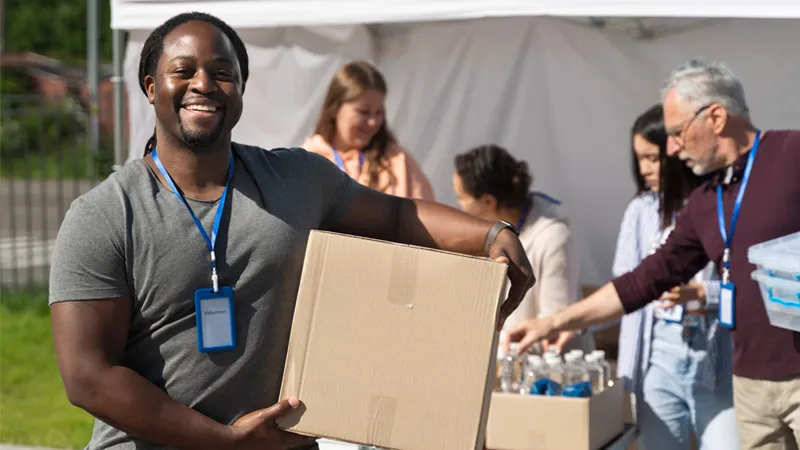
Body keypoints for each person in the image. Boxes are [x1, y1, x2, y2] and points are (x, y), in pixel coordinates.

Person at [48, 12, 534, 450]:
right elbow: (88, 376)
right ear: (152, 87)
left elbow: (397, 217)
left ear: (240, 90)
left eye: (223, 73)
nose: (204, 84)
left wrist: (493, 234)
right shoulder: (104, 215)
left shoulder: (299, 179)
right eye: (184, 71)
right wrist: (224, 441)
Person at [504, 58, 800, 449]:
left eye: (678, 132)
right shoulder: (705, 201)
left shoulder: (791, 155)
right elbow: (642, 281)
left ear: (715, 117)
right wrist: (554, 322)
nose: (672, 149)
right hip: (749, 386)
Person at [612, 104, 736, 449]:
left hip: (715, 358)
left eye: (653, 158)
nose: (645, 168)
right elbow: (623, 285)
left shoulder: (717, 202)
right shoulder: (640, 211)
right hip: (658, 358)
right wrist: (569, 325)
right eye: (639, 159)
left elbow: (743, 278)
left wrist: (703, 294)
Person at [452, 144, 593, 354]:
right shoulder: (487, 231)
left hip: (548, 377)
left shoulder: (554, 237)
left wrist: (491, 352)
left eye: (462, 197)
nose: (458, 204)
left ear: (488, 201)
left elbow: (553, 328)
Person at [302, 60, 435, 201]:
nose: (373, 122)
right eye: (364, 112)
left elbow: (428, 216)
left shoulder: (398, 161)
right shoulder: (308, 161)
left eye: (379, 112)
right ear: (335, 108)